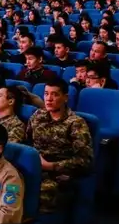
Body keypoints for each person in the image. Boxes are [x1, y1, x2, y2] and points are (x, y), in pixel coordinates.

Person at [27, 79, 93, 213]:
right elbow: (26, 142)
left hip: (58, 176)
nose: (49, 99)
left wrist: (50, 166)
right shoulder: (37, 115)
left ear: (65, 98)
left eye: (55, 94)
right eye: (46, 94)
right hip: (34, 168)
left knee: (32, 192)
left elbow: (85, 160)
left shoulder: (75, 123)